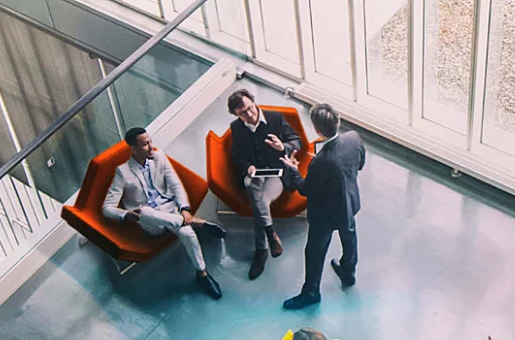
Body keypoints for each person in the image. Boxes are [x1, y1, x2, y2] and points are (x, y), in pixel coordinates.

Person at [104, 127, 229, 299]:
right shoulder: (122, 172)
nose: (151, 146)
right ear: (134, 149)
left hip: (170, 209)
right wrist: (126, 215)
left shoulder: (159, 157)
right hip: (150, 221)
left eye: (150, 141)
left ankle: (202, 274)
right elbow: (107, 208)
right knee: (144, 211)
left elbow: (175, 184)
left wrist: (184, 209)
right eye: (145, 144)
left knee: (188, 234)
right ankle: (194, 222)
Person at [279, 103, 366, 310]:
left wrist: (292, 169)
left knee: (314, 252)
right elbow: (359, 165)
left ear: (317, 130)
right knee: (349, 236)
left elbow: (305, 189)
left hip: (325, 215)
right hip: (349, 203)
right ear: (338, 121)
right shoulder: (353, 138)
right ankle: (348, 273)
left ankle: (311, 293)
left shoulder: (321, 162)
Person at [226, 90, 302, 279]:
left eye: (250, 108)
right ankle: (270, 234)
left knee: (258, 201)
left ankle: (262, 249)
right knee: (252, 187)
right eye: (242, 113)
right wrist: (248, 166)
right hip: (254, 173)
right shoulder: (236, 127)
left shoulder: (275, 118)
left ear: (254, 102)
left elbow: (296, 141)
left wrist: (283, 147)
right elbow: (236, 155)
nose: (249, 114)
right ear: (236, 115)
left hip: (276, 174)